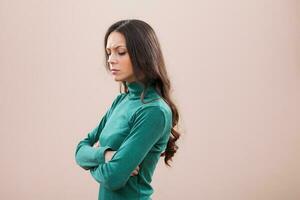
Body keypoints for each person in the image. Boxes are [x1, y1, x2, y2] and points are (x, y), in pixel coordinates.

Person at [75, 19, 181, 200]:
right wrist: (107, 155)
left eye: (120, 52)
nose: (110, 60)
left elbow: (113, 178)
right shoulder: (121, 101)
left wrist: (92, 161)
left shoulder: (154, 111)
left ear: (143, 55)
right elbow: (79, 151)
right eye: (108, 53)